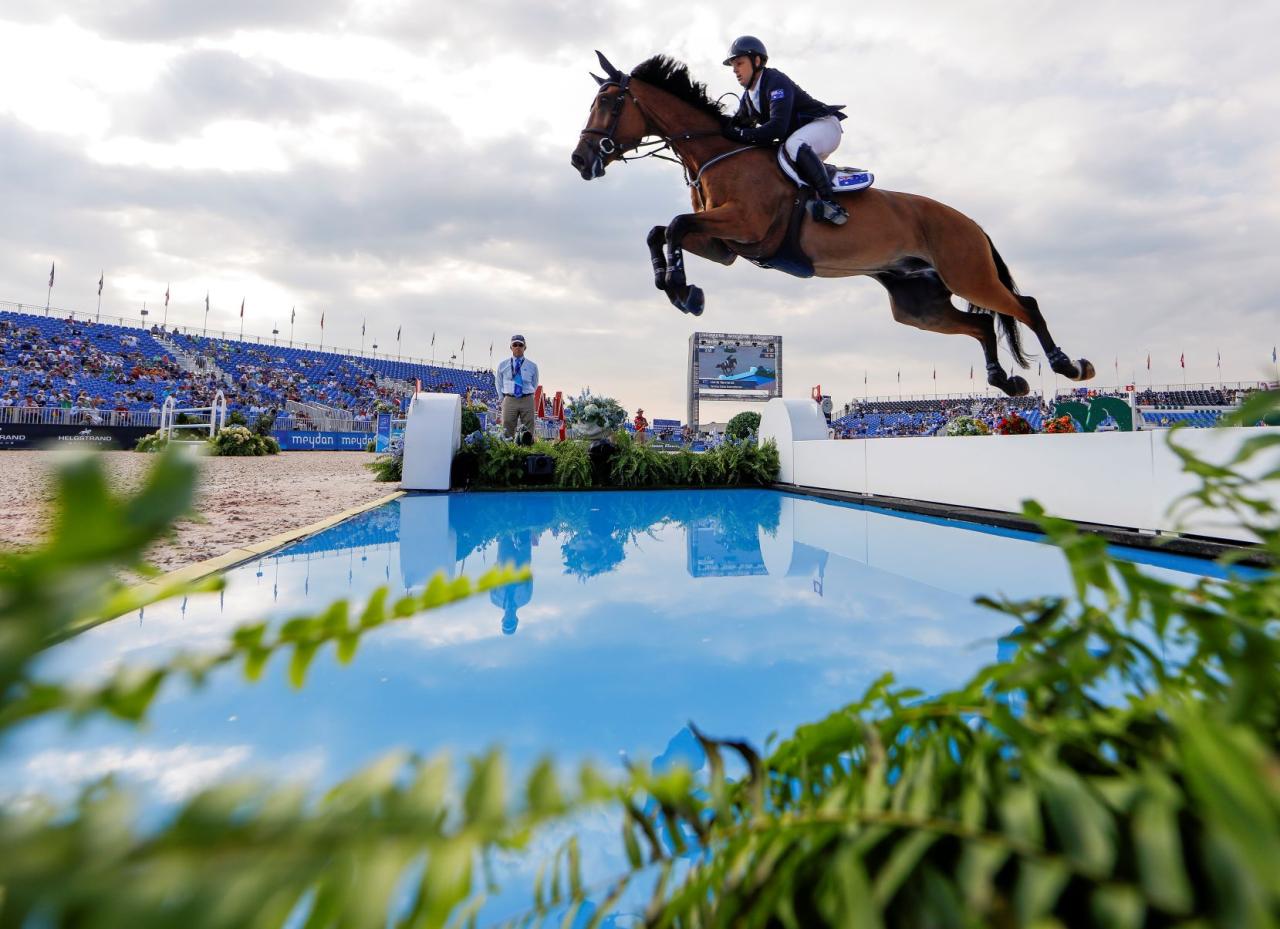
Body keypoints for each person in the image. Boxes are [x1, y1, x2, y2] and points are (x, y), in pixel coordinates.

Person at [721, 35, 849, 225]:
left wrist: (741, 134)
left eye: (739, 63)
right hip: (805, 135)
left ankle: (831, 204)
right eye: (733, 67)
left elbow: (776, 129)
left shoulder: (775, 81)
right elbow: (736, 125)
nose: (735, 71)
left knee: (793, 144)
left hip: (825, 126)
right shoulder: (748, 97)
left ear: (757, 61)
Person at [494, 334, 538, 440]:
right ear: (511, 347)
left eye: (520, 345)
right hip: (510, 399)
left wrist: (527, 394)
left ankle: (527, 452)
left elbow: (534, 383)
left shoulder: (532, 366)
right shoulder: (502, 365)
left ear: (525, 347)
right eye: (515, 345)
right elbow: (498, 383)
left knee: (528, 428)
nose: (518, 347)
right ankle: (508, 452)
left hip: (527, 399)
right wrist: (502, 398)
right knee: (507, 427)